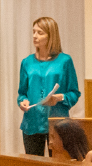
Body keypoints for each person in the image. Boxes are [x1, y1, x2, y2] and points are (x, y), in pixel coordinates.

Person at [16, 18, 78, 157]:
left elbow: (74, 93)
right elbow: (22, 93)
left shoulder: (65, 61)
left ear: (51, 36)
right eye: (33, 32)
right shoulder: (27, 62)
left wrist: (60, 97)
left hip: (58, 124)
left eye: (39, 32)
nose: (34, 36)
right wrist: (22, 101)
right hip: (32, 123)